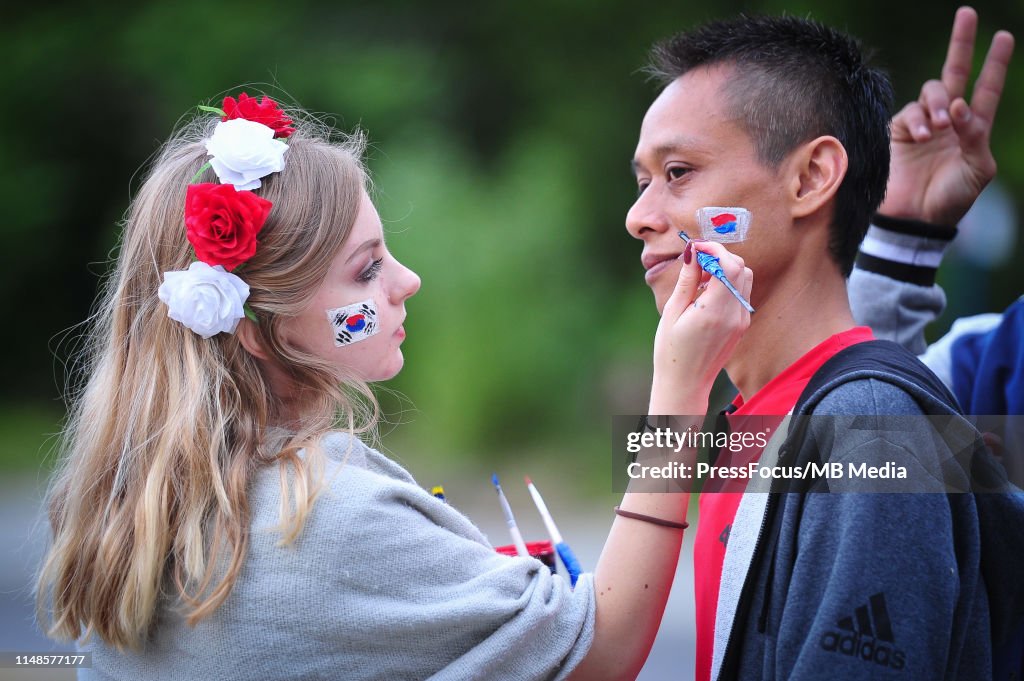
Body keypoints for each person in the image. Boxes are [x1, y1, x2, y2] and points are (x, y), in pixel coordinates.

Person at [35, 94, 751, 680]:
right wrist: (680, 394)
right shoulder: (324, 517)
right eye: (366, 270)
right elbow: (606, 643)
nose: (406, 282)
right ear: (256, 328)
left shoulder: (142, 502)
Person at [626, 13, 1021, 681]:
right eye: (644, 182)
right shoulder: (759, 416)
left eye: (679, 171)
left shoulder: (871, 427)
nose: (640, 215)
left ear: (810, 179)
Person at [849, 7, 1020, 417]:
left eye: (681, 172)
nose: (661, 215)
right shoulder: (988, 360)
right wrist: (902, 234)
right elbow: (858, 429)